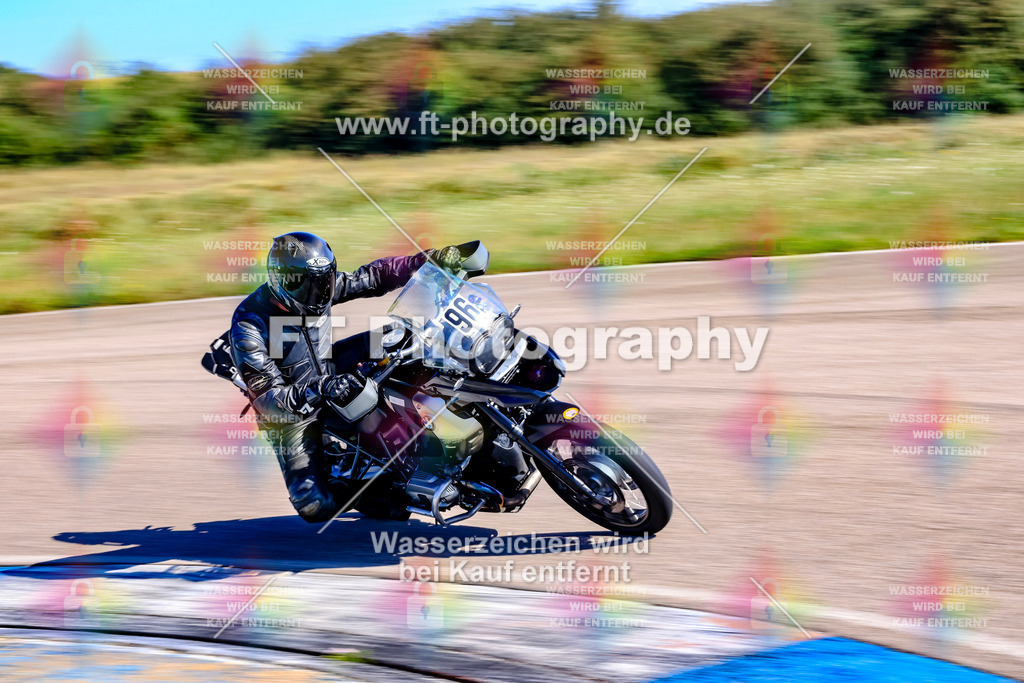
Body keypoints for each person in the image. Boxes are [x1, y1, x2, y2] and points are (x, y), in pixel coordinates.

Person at [228, 232, 462, 522]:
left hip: (330, 369)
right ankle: (379, 486)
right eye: (311, 287)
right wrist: (321, 388)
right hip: (293, 410)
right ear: (283, 281)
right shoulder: (249, 323)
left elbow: (375, 276)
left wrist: (428, 261)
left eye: (325, 282)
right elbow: (266, 399)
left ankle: (459, 393)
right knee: (314, 504)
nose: (321, 294)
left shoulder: (317, 284)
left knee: (399, 336)